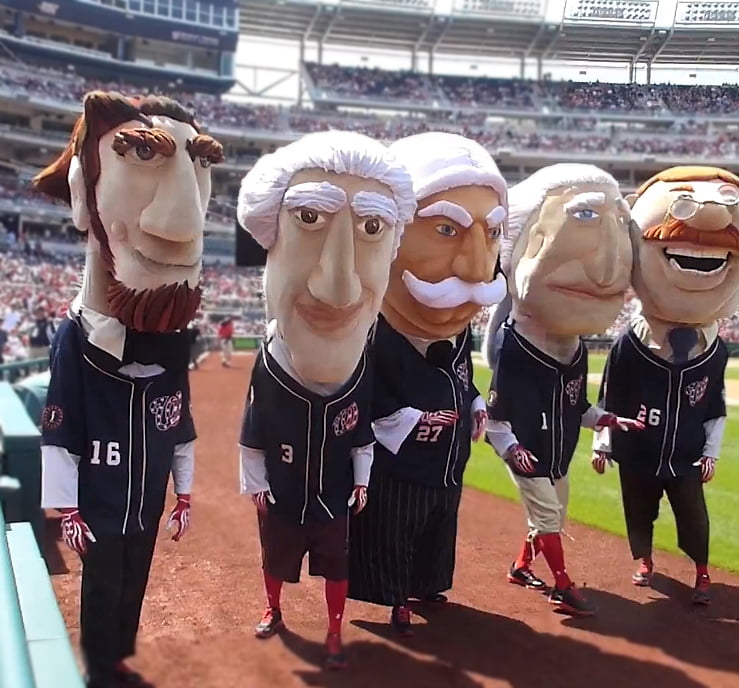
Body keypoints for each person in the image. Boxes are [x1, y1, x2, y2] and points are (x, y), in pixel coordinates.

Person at [32, 90, 223, 688]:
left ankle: (115, 654)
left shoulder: (171, 342)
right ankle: (98, 663)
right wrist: (64, 507)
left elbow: (180, 423)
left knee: (133, 581)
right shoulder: (75, 339)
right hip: (102, 499)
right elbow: (60, 428)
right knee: (103, 580)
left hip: (143, 501)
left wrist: (184, 494)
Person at [236, 130, 416, 668]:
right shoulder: (270, 369)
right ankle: (273, 609)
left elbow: (361, 434)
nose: (339, 286)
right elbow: (252, 434)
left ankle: (335, 629)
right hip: (287, 489)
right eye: (309, 219)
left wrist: (362, 480)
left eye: (372, 227)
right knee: (276, 558)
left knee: (337, 564)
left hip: (333, 492)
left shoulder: (361, 363)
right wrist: (256, 484)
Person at [348, 132, 506, 636]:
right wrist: (417, 420)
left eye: (494, 234)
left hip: (447, 457)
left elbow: (464, 377)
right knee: (393, 528)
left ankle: (428, 581)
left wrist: (475, 402)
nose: (480, 266)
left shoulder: (457, 334)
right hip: (399, 461)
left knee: (439, 522)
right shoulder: (371, 334)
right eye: (444, 228)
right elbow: (365, 397)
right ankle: (392, 598)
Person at [592, 166, 739, 605]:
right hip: (638, 447)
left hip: (684, 452)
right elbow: (610, 394)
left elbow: (715, 405)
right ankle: (643, 560)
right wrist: (602, 444)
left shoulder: (714, 349)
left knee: (694, 516)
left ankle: (702, 571)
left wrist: (711, 450)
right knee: (638, 510)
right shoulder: (630, 343)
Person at [483, 164, 644, 617]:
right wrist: (512, 451)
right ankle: (563, 584)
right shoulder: (516, 348)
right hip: (529, 452)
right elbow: (496, 419)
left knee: (551, 517)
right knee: (549, 517)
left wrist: (607, 420)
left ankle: (520, 567)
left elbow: (577, 404)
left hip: (557, 451)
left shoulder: (576, 350)